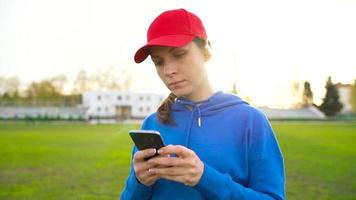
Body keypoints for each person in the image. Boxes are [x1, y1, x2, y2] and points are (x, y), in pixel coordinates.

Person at [120, 8, 285, 200]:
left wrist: (204, 178)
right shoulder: (152, 124)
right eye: (158, 62)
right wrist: (139, 183)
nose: (168, 70)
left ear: (206, 51)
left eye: (179, 54)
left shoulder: (250, 121)